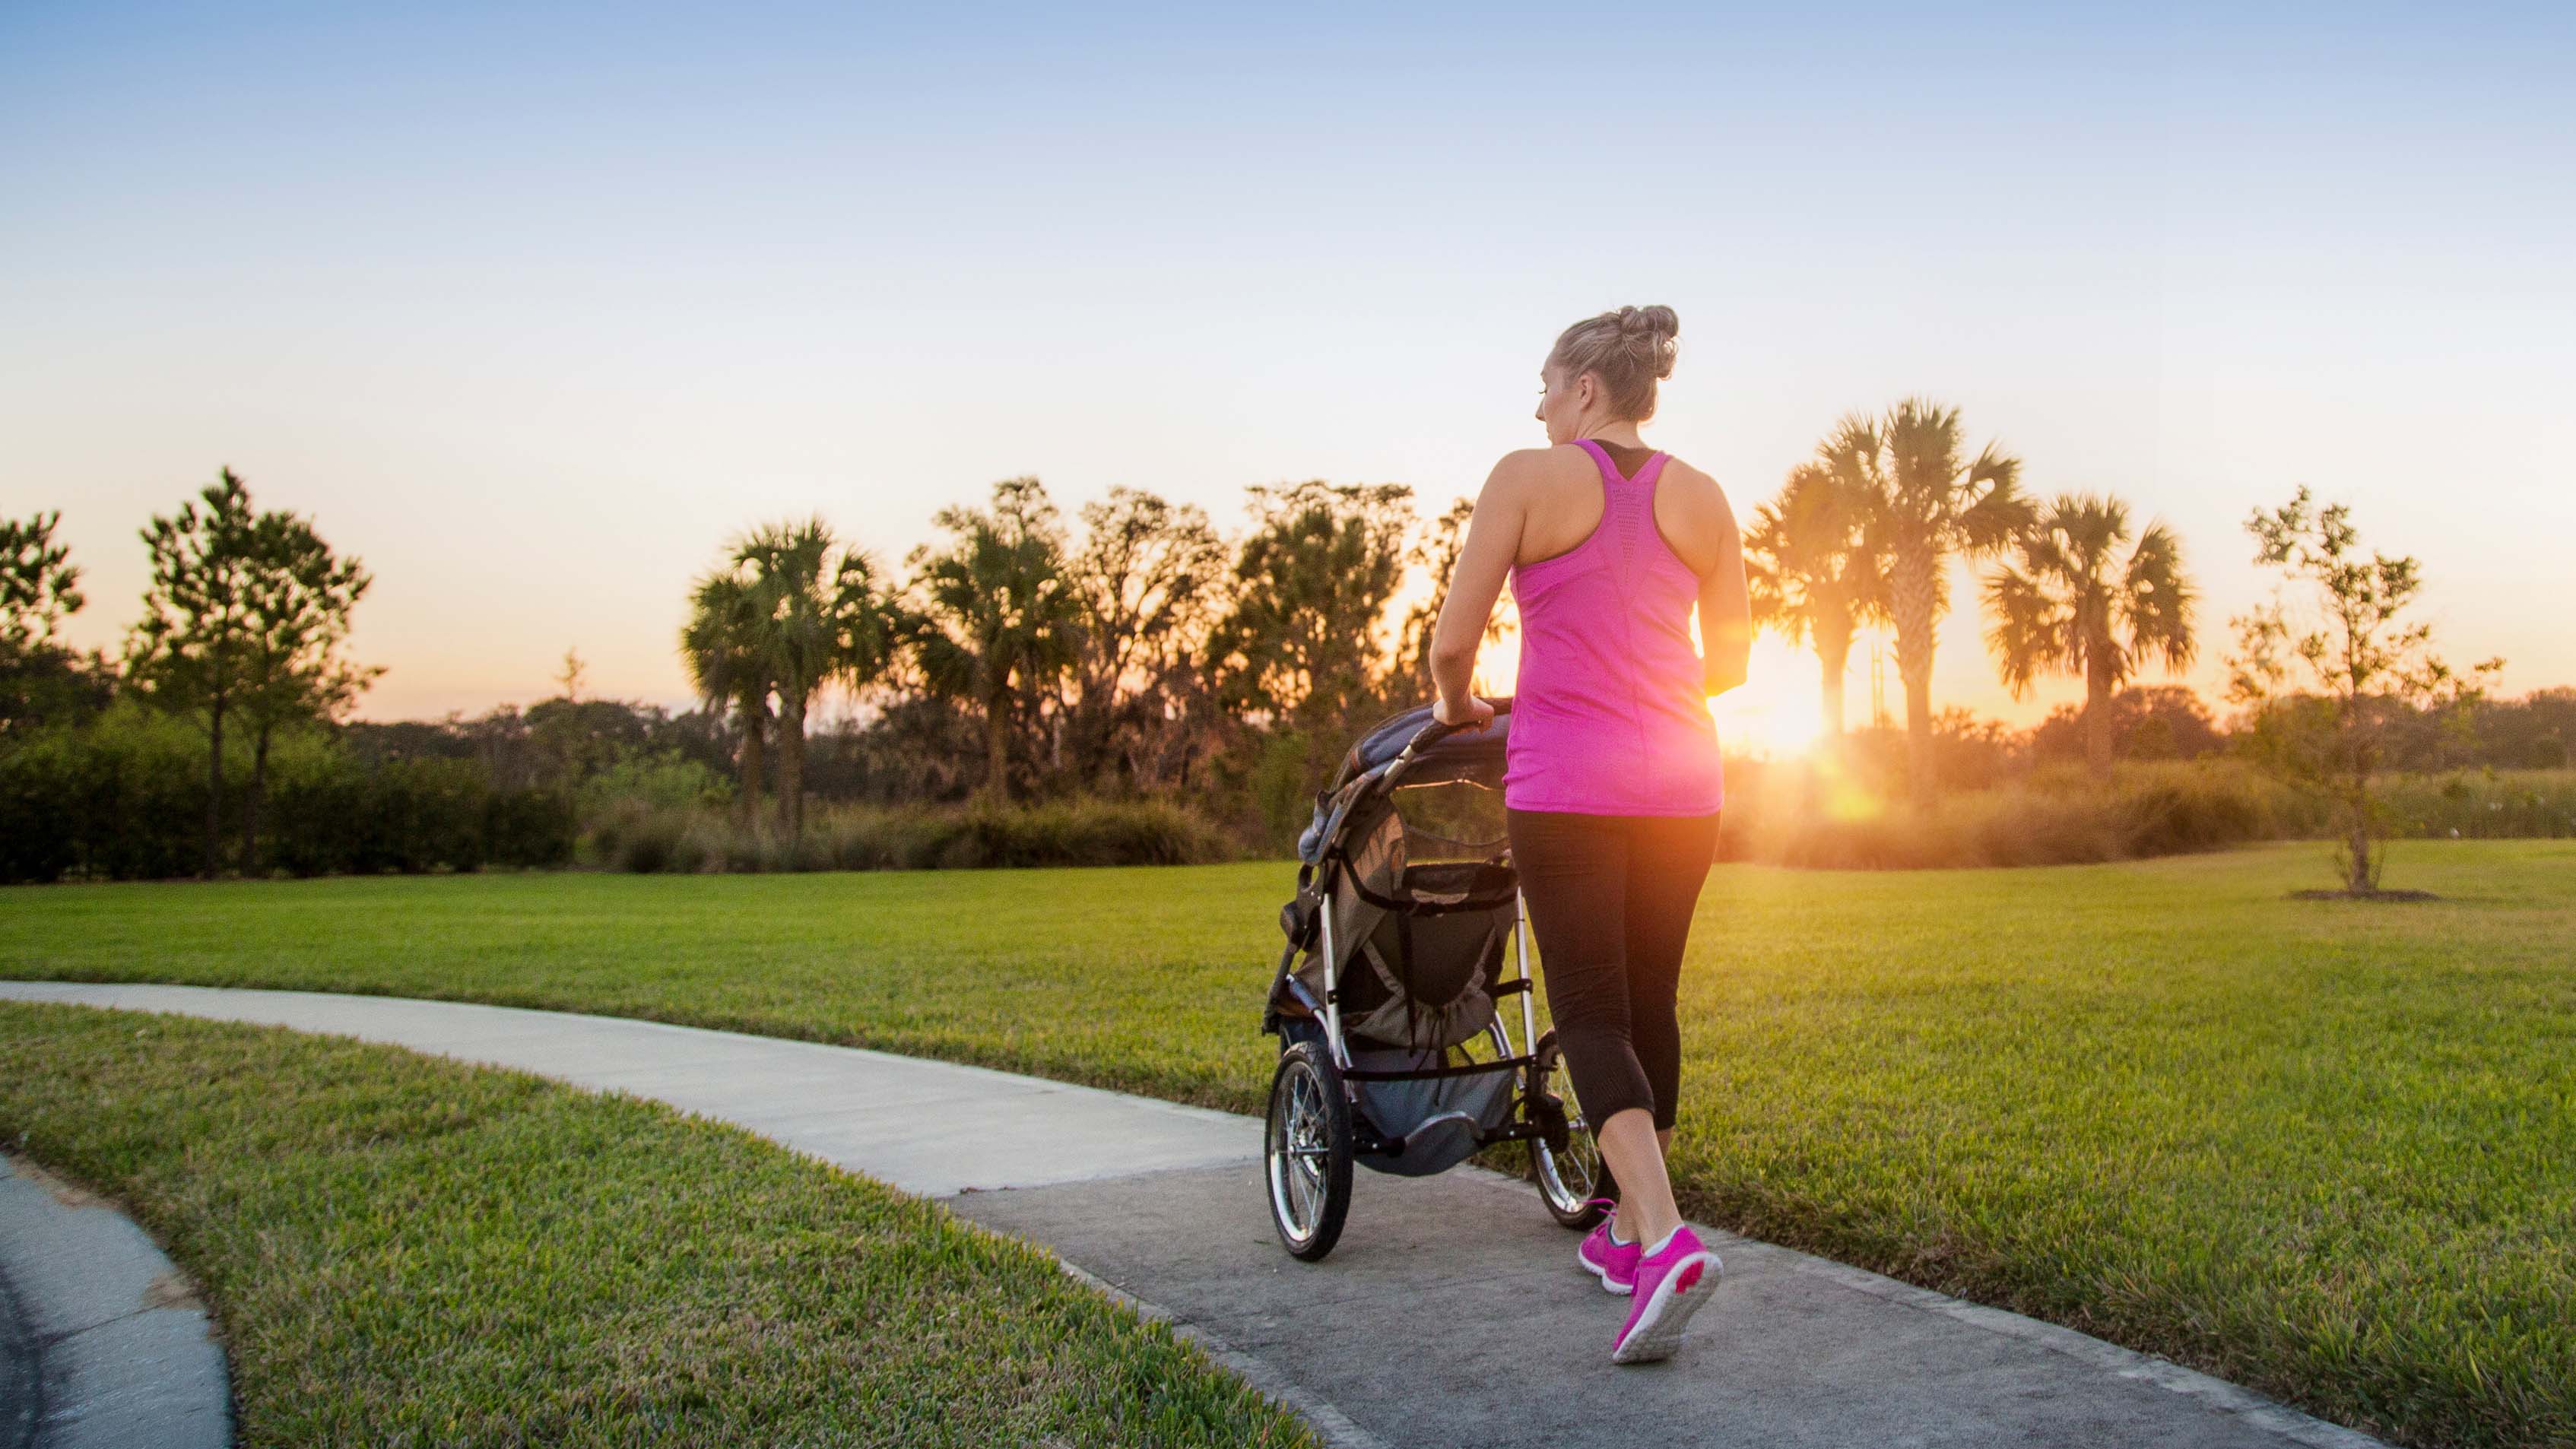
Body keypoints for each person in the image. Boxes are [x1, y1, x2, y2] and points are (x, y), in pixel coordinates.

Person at [1426, 303, 1749, 1364]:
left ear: (1585, 390)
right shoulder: (1702, 496)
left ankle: (1664, 1240)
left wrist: (1454, 705)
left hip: (1566, 782)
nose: (1536, 403)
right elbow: (1734, 660)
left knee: (1592, 1012)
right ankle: (1618, 1227)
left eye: (1545, 383)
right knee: (1649, 998)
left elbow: (1454, 640)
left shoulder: (1526, 474)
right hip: (1685, 784)